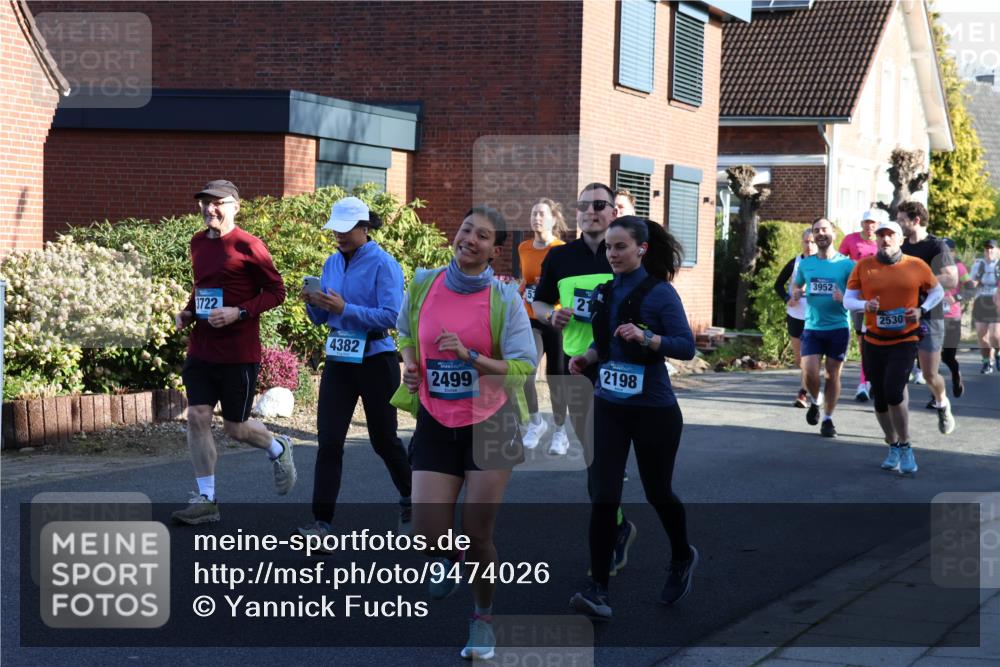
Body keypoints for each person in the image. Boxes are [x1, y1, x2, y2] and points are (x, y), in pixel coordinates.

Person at [390, 206, 535, 660]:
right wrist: (411, 366)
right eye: (466, 229)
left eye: (483, 236)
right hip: (437, 418)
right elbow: (405, 332)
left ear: (495, 251)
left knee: (477, 533)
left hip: (491, 422)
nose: (470, 239)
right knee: (427, 533)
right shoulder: (423, 283)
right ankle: (454, 563)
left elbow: (523, 366)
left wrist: (471, 357)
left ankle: (482, 619)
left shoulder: (505, 299)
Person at [567, 216, 697, 619]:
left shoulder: (661, 293)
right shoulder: (604, 292)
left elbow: (686, 346)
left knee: (658, 492)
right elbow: (604, 345)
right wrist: (586, 357)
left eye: (620, 246)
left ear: (641, 249)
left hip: (654, 410)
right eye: (608, 247)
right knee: (604, 494)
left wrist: (647, 337)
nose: (612, 254)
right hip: (609, 406)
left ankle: (682, 556)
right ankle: (598, 590)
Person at [172, 180, 294, 525]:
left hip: (238, 353)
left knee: (235, 428)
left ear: (235, 207)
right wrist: (188, 311)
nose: (209, 209)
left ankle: (278, 447)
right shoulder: (198, 242)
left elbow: (277, 291)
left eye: (218, 203)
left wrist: (238, 312)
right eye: (205, 202)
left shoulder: (249, 245)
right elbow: (203, 287)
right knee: (197, 416)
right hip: (202, 348)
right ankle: (206, 499)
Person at [532, 183, 637, 577]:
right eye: (583, 205)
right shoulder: (561, 256)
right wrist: (550, 316)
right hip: (578, 367)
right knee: (595, 458)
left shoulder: (623, 253)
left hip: (622, 365)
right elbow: (541, 301)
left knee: (605, 458)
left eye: (599, 205)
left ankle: (610, 538)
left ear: (613, 212)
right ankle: (618, 526)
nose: (590, 211)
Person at [297, 197, 412, 539]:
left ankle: (413, 496)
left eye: (346, 229)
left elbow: (392, 316)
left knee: (384, 440)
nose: (339, 235)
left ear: (364, 228)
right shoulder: (331, 262)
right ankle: (322, 523)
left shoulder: (384, 264)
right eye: (335, 229)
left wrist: (344, 308)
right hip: (339, 359)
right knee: (329, 441)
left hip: (377, 358)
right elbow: (321, 319)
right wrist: (312, 304)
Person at [844, 220, 943, 474]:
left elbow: (938, 291)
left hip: (905, 339)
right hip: (873, 341)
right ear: (876, 240)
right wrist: (864, 305)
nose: (885, 240)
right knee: (879, 398)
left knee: (894, 392)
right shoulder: (864, 266)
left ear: (900, 240)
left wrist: (921, 309)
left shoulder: (916, 265)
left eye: (890, 235)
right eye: (881, 236)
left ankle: (906, 444)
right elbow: (848, 299)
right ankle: (892, 443)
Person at [898, 201, 958, 434]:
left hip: (930, 315)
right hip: (902, 316)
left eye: (902, 220)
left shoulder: (936, 246)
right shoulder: (901, 246)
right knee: (900, 372)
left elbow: (951, 278)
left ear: (916, 220)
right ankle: (900, 428)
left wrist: (920, 279)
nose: (899, 224)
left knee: (929, 373)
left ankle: (942, 403)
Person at [792, 217, 855, 438]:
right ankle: (816, 400)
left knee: (832, 375)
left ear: (833, 233)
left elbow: (858, 294)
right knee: (809, 370)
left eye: (824, 229)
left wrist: (844, 298)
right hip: (812, 326)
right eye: (816, 230)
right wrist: (796, 291)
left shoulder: (847, 265)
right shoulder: (806, 264)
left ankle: (827, 419)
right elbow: (797, 284)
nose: (820, 234)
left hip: (838, 326)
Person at [518, 198, 569, 450]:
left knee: (556, 377)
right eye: (533, 213)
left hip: (555, 319)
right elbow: (525, 279)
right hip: (531, 318)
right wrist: (519, 291)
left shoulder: (562, 249)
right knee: (526, 373)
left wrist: (548, 284)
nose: (536, 218)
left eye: (541, 214)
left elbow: (568, 285)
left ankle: (560, 431)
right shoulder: (524, 247)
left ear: (553, 219)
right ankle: (536, 423)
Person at [839, 208, 886, 401]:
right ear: (862, 224)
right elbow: (839, 264)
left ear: (878, 225)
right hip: (856, 298)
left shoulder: (883, 242)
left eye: (873, 223)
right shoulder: (850, 240)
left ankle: (867, 382)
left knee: (875, 341)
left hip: (877, 299)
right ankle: (866, 381)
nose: (870, 226)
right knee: (862, 342)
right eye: (867, 223)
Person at [774, 227, 818, 407]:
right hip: (796, 315)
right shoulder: (795, 263)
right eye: (806, 242)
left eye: (813, 242)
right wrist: (788, 298)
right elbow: (778, 285)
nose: (809, 245)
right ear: (802, 243)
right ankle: (811, 387)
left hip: (815, 317)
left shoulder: (824, 264)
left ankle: (803, 393)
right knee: (799, 359)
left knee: (809, 357)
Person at [930, 238, 970, 405]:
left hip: (952, 317)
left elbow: (971, 287)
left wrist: (957, 297)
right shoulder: (932, 266)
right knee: (932, 357)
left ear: (953, 252)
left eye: (948, 251)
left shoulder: (959, 267)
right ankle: (936, 396)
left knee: (948, 357)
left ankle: (955, 374)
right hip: (933, 317)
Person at [968, 239, 1000, 374]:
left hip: (997, 301)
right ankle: (986, 362)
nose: (989, 251)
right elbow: (972, 282)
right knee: (982, 335)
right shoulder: (978, 264)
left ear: (997, 250)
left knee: (995, 335)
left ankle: (998, 353)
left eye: (992, 248)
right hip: (981, 300)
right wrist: (972, 283)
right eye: (987, 248)